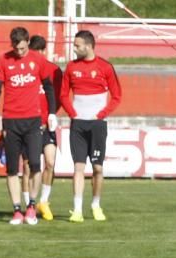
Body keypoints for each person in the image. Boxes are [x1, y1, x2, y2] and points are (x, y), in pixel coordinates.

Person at [0, 26, 56, 225]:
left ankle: (32, 207)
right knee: (12, 168)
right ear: (12, 45)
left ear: (28, 42)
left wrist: (52, 112)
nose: (19, 52)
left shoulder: (38, 59)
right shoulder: (4, 60)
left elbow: (49, 86)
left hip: (33, 120)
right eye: (16, 49)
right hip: (11, 121)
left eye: (23, 48)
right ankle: (17, 210)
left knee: (35, 164)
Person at [60, 30, 121, 223]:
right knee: (78, 168)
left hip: (97, 125)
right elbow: (63, 94)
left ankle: (95, 205)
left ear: (88, 46)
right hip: (78, 125)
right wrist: (73, 113)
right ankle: (77, 209)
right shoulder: (71, 67)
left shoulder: (105, 67)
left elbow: (117, 95)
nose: (74, 48)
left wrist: (101, 115)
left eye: (77, 45)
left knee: (97, 169)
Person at [25, 34, 62, 221]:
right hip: (28, 123)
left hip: (47, 124)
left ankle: (44, 201)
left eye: (40, 51)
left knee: (50, 162)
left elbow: (58, 97)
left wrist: (53, 114)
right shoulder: (26, 69)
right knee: (28, 166)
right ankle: (27, 203)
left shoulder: (54, 71)